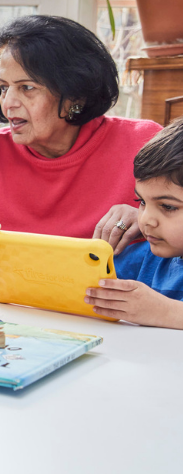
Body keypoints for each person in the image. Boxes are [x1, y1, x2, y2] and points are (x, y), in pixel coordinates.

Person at [0, 15, 163, 260]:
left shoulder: (144, 143)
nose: (9, 103)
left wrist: (146, 218)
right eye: (4, 88)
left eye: (27, 88)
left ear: (76, 94)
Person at [84, 118, 183, 329]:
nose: (146, 219)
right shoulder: (146, 256)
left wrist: (165, 312)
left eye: (168, 207)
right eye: (142, 202)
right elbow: (80, 281)